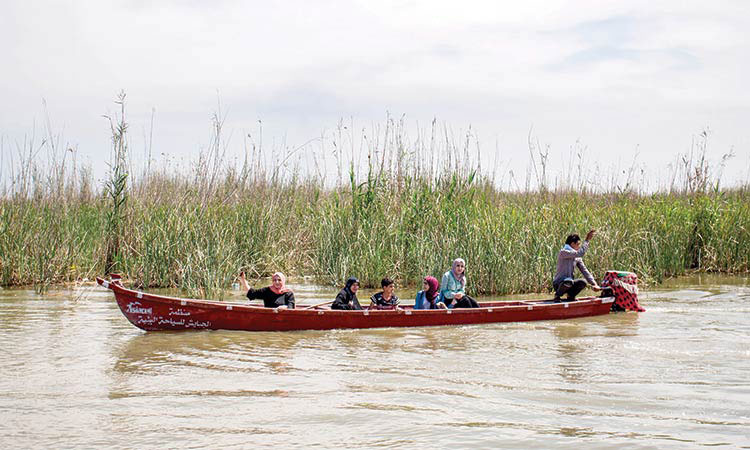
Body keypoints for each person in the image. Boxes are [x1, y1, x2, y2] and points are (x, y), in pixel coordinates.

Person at [552, 229, 602, 301]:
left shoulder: (576, 257)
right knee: (568, 281)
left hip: (569, 284)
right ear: (572, 244)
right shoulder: (563, 252)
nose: (579, 247)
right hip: (559, 284)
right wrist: (587, 240)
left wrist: (594, 284)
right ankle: (557, 295)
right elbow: (580, 253)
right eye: (578, 244)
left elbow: (585, 271)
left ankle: (571, 296)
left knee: (583, 282)